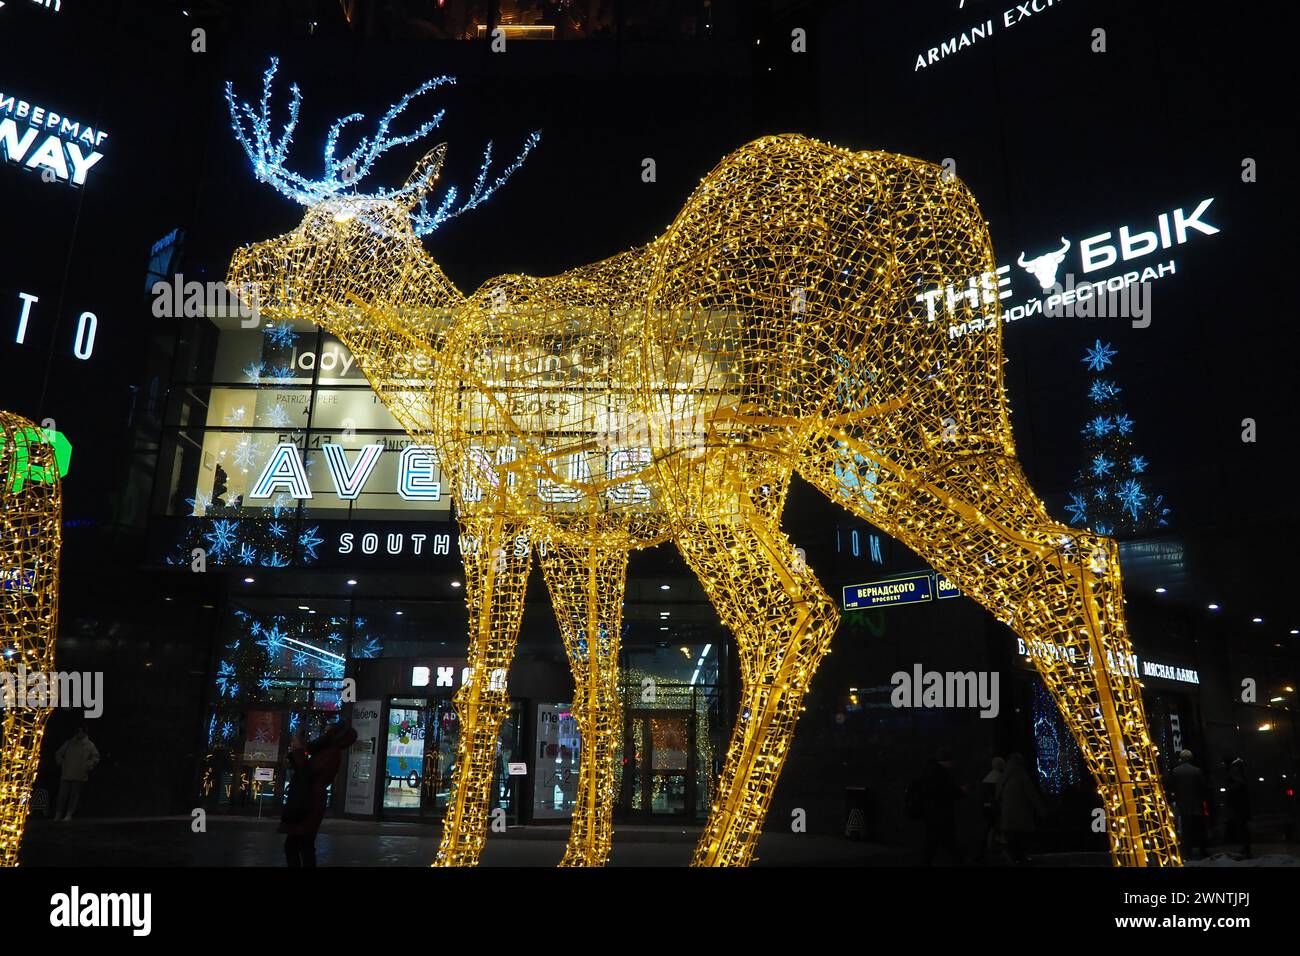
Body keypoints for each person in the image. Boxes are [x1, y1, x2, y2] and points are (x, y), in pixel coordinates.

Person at [279, 721, 358, 867]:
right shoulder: (327, 750)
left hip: (309, 802)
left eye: (331, 727)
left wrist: (297, 751)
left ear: (336, 734)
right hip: (309, 800)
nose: (327, 728)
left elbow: (308, 773)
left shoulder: (331, 753)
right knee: (302, 845)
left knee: (298, 845)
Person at [914, 746, 965, 865]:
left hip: (931, 812)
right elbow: (945, 791)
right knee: (946, 840)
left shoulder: (929, 770)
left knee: (933, 841)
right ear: (947, 761)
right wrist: (960, 791)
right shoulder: (940, 774)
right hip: (940, 813)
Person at [997, 752, 1045, 863]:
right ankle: (1020, 858)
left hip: (1007, 815)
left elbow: (997, 794)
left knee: (1012, 839)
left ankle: (1014, 858)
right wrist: (1041, 810)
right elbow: (1031, 795)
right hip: (1021, 815)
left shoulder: (1004, 777)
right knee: (1021, 838)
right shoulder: (1021, 775)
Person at [1169, 749, 1210, 859]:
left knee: (1186, 829)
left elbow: (1172, 787)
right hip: (1196, 803)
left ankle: (1187, 852)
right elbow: (1203, 786)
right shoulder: (1196, 771)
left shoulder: (1176, 771)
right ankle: (1202, 851)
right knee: (1199, 828)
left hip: (1182, 803)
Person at [54, 727, 100, 821]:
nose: (79, 733)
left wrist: (88, 765)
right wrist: (62, 762)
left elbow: (95, 757)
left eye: (81, 731)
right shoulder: (69, 743)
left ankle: (69, 814)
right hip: (67, 772)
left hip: (79, 773)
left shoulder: (89, 745)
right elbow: (59, 753)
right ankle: (58, 814)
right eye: (78, 731)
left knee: (74, 795)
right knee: (62, 795)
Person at [975, 756, 1005, 863]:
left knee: (988, 830)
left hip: (987, 808)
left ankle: (985, 851)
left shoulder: (987, 779)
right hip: (997, 808)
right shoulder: (1001, 778)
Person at [1223, 755, 1252, 858]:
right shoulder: (1239, 772)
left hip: (1239, 804)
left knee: (1241, 826)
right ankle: (1246, 848)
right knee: (1242, 826)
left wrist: (1229, 791)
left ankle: (1246, 848)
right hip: (1241, 803)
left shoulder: (1234, 772)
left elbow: (1238, 784)